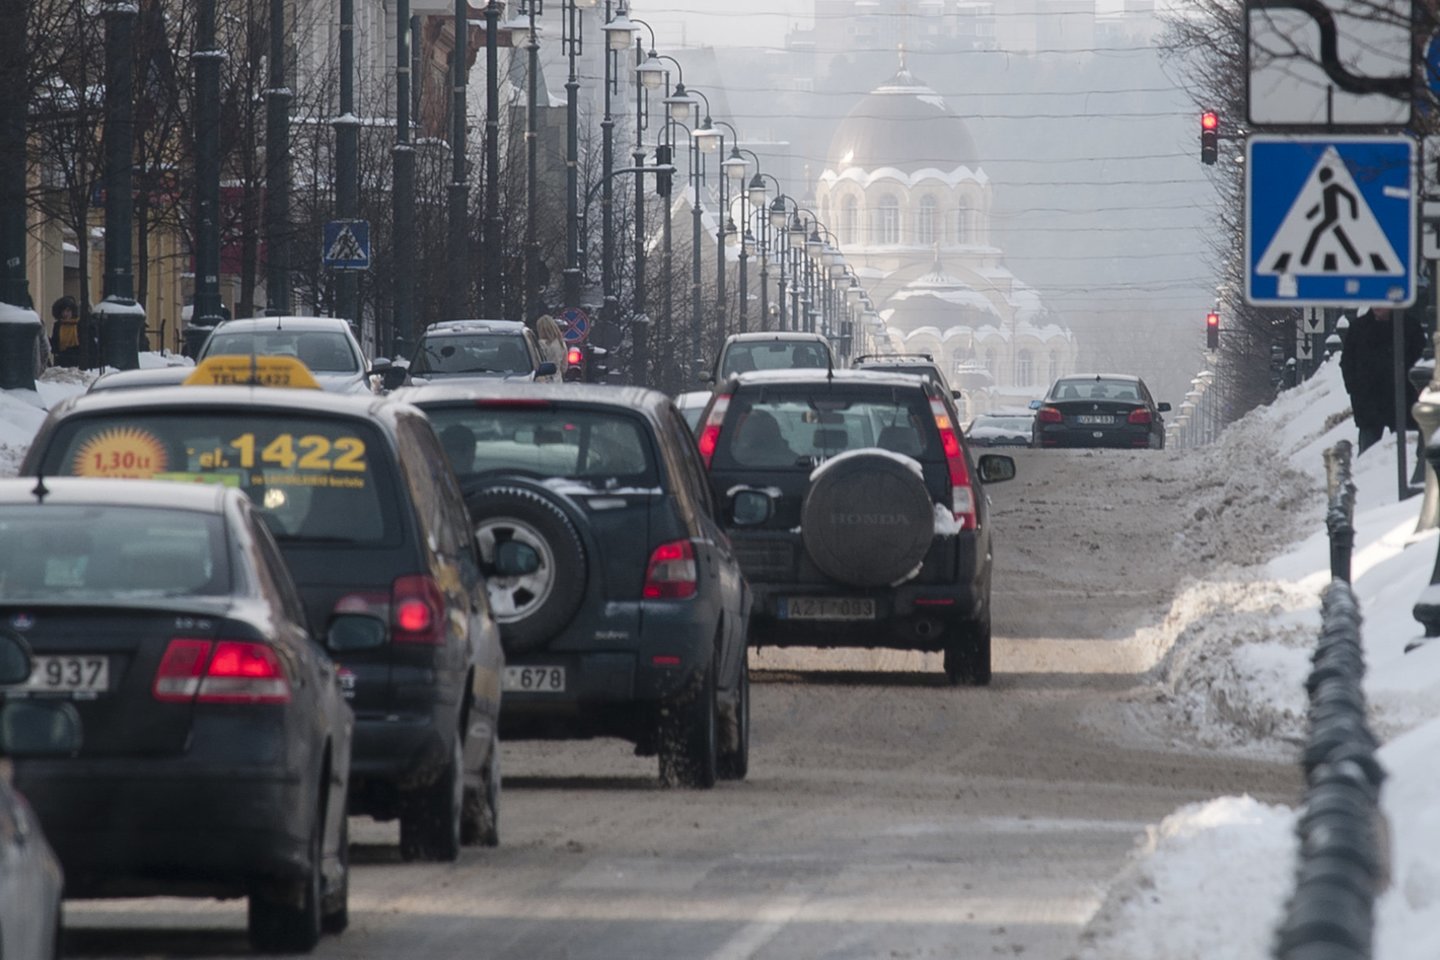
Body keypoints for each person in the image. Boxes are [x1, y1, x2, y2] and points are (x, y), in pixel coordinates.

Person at [1338, 306, 1424, 454]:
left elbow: (1419, 360)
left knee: (1404, 451)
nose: (1377, 306)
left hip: (1402, 402)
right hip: (1369, 404)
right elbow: (1347, 362)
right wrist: (1354, 389)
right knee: (1367, 454)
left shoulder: (1409, 327)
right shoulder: (1359, 328)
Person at [49, 296, 81, 368]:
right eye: (63, 311)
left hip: (77, 362)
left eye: (68, 311)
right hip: (61, 362)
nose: (65, 314)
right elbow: (55, 346)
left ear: (73, 311)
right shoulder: (58, 325)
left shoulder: (79, 324)